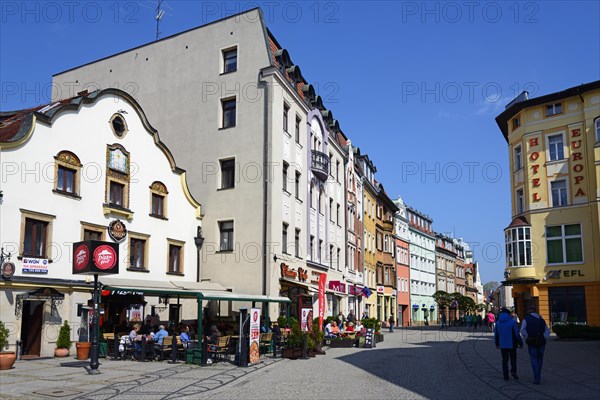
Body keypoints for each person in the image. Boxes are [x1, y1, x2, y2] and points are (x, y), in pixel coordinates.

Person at [520, 305, 550, 385]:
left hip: (532, 341)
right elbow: (547, 330)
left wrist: (527, 337)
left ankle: (537, 377)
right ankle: (538, 374)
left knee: (533, 359)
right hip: (541, 342)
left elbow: (522, 330)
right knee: (540, 358)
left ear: (529, 311)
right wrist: (544, 337)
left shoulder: (526, 319)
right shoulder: (541, 319)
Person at [494, 307, 523, 381]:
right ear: (508, 314)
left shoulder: (498, 323)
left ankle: (505, 375)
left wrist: (497, 343)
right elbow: (517, 334)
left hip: (502, 344)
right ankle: (513, 371)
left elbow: (496, 334)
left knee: (504, 360)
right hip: (512, 344)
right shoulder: (512, 322)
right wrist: (520, 342)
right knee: (513, 359)